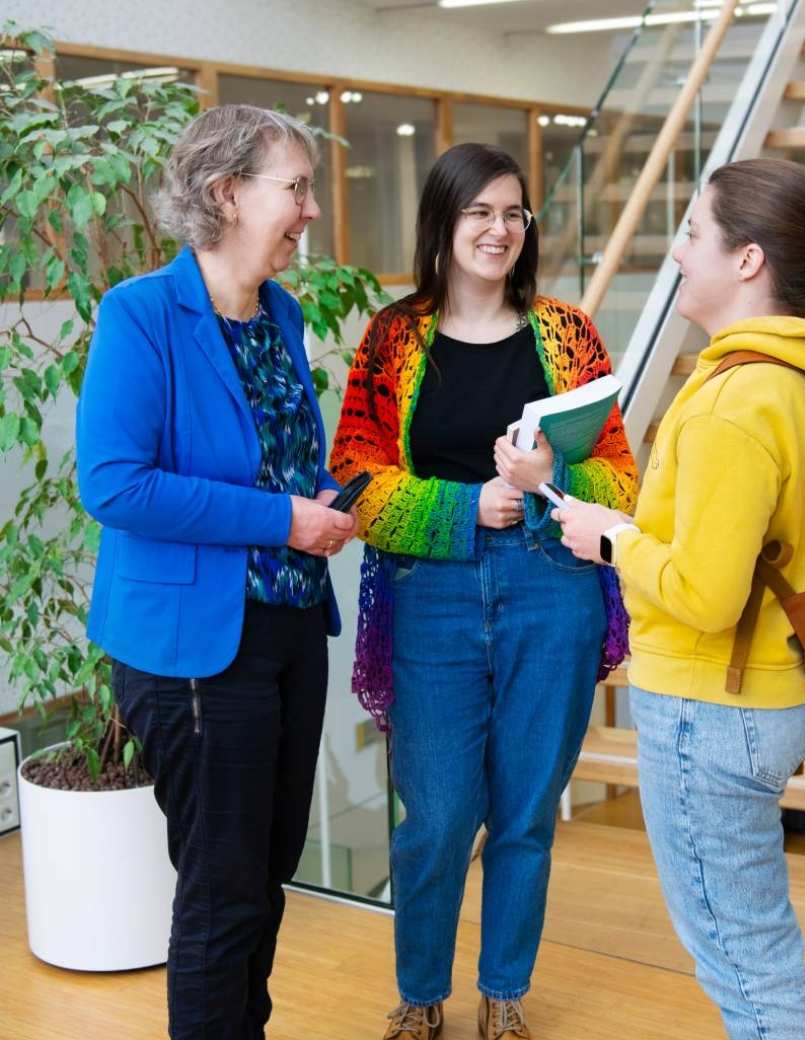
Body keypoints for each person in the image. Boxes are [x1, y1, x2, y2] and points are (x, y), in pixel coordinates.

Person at [554, 157, 805, 1040]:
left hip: (712, 706)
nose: (675, 255)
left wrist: (613, 540)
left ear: (747, 261)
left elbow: (705, 596)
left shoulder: (736, 401)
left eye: (692, 235)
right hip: (773, 689)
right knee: (756, 948)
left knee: (746, 967)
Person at [329, 142, 637, 1040]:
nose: (498, 230)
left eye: (513, 214)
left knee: (527, 813)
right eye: (478, 213)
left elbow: (622, 476)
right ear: (443, 223)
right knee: (437, 814)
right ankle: (421, 997)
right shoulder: (391, 336)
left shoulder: (569, 334)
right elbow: (352, 474)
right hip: (433, 593)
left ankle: (504, 993)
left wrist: (552, 478)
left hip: (555, 590)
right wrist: (472, 507)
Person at [76, 104, 355, 1040]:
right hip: (194, 649)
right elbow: (115, 484)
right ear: (226, 193)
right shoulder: (142, 314)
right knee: (221, 889)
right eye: (298, 188)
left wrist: (322, 497)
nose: (311, 211)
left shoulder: (281, 312)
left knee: (264, 872)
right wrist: (285, 517)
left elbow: (274, 458)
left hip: (285, 629)